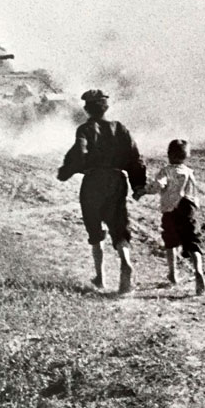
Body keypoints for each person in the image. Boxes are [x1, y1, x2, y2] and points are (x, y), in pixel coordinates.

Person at [57, 90, 147, 294]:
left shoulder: (85, 129)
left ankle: (100, 277)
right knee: (119, 225)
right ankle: (125, 261)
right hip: (117, 180)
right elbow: (135, 157)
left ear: (87, 109)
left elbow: (79, 153)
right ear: (106, 107)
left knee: (94, 229)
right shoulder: (120, 128)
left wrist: (66, 172)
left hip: (93, 181)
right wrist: (138, 185)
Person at [137, 139, 205, 295]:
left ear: (168, 155)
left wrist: (145, 190)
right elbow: (194, 192)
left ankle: (173, 274)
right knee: (193, 242)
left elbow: (158, 186)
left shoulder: (165, 171)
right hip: (188, 210)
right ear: (186, 156)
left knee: (170, 242)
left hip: (170, 212)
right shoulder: (189, 172)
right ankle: (198, 271)